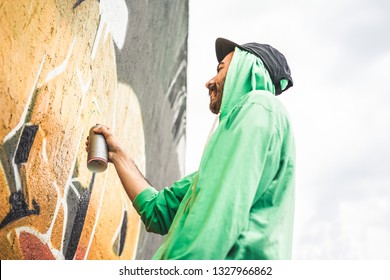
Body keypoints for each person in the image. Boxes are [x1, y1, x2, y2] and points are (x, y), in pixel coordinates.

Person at [85, 37, 295, 259]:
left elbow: (220, 218)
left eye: (220, 69)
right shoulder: (214, 172)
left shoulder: (259, 105)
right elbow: (158, 211)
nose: (209, 82)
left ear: (247, 68)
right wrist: (118, 155)